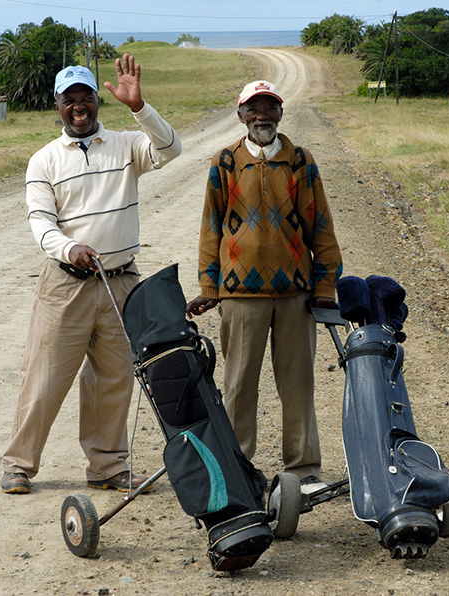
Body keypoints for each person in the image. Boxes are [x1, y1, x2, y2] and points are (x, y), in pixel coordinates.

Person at [1, 56, 182, 494]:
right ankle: (19, 465)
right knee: (44, 377)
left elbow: (171, 149)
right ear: (57, 105)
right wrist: (69, 247)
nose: (78, 106)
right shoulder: (43, 161)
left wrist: (139, 106)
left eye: (86, 98)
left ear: (98, 102)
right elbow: (41, 223)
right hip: (66, 283)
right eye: (70, 99)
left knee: (114, 378)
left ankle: (108, 468)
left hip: (121, 281)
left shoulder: (125, 145)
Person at [186, 80, 342, 494]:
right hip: (239, 297)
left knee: (298, 385)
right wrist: (209, 285)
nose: (262, 116)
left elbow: (321, 226)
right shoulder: (225, 162)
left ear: (280, 114)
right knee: (238, 386)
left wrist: (326, 283)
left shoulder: (300, 162)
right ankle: (237, 472)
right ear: (240, 115)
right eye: (253, 109)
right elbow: (210, 227)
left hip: (295, 295)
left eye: (269, 108)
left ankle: (305, 471)